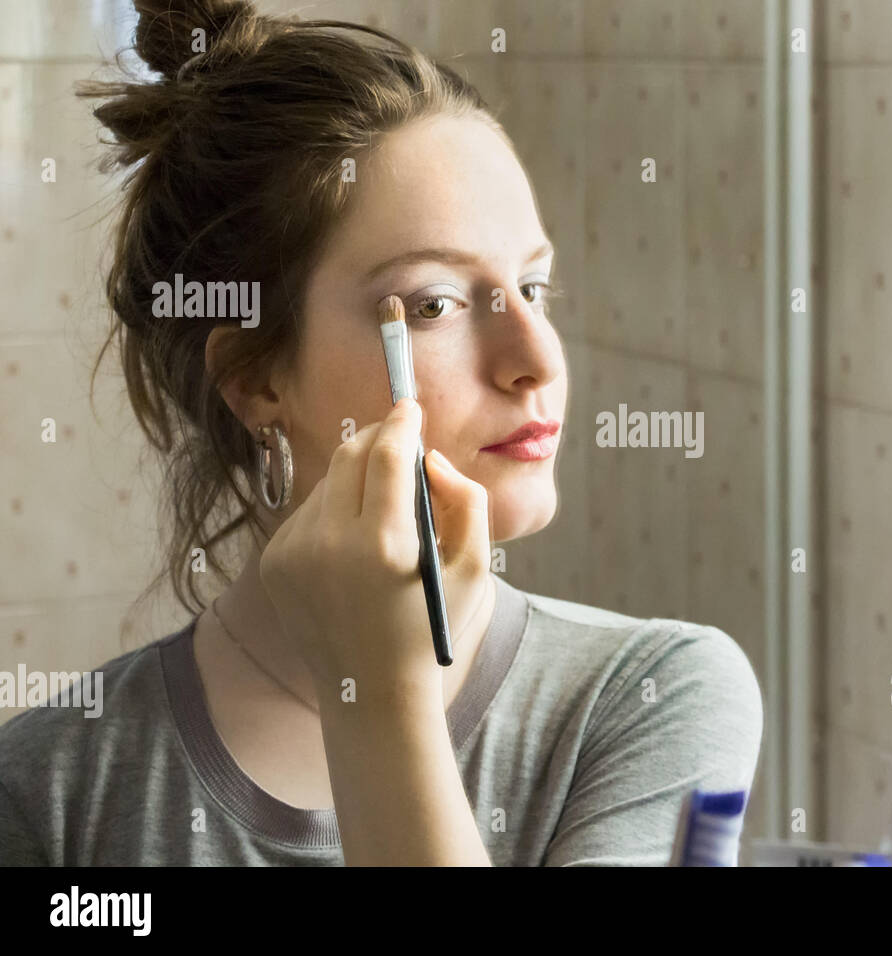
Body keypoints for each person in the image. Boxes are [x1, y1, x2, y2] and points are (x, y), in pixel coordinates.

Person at [0, 0, 762, 866]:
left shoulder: (655, 696)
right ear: (254, 380)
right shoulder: (52, 790)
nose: (537, 359)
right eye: (435, 305)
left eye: (534, 289)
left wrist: (382, 698)